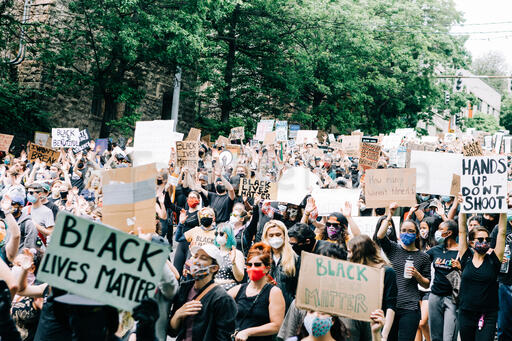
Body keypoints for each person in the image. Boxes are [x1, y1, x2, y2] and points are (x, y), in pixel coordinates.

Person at [376, 202, 431, 341]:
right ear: (400, 234)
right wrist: (390, 214)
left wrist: (417, 275)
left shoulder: (424, 257)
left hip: (410, 307)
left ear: (417, 235)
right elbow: (380, 236)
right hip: (391, 306)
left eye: (411, 231)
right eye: (404, 230)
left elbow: (426, 284)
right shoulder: (394, 249)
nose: (407, 233)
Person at [169, 244, 237, 340]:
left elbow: (224, 337)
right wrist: (178, 314)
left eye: (203, 258)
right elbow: (172, 331)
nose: (196, 261)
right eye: (195, 256)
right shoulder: (184, 289)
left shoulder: (222, 299)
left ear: (214, 268)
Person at [458, 209, 507, 341]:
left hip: (487, 315)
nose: (484, 241)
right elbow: (462, 231)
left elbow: (502, 233)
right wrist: (462, 208)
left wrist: (503, 210)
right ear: (471, 242)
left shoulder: (494, 259)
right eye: (480, 239)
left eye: (487, 239)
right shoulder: (465, 257)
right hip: (466, 313)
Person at [228, 242, 285, 341]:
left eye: (257, 265)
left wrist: (247, 332)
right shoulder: (237, 290)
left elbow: (276, 326)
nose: (253, 268)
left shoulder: (274, 292)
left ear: (267, 269)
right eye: (249, 265)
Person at [348, 235, 397, 341]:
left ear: (359, 253)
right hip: (360, 324)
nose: (348, 255)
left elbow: (391, 306)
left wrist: (384, 334)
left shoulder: (387, 272)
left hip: (379, 323)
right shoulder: (356, 270)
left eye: (350, 251)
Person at [426, 220, 459, 341]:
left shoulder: (462, 251)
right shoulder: (435, 250)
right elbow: (420, 260)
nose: (437, 232)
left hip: (452, 298)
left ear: (449, 233)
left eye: (440, 229)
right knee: (435, 336)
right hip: (435, 296)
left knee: (449, 338)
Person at [261, 220, 300, 309]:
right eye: (271, 235)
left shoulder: (295, 259)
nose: (275, 238)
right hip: (265, 306)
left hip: (287, 307)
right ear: (266, 237)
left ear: (284, 236)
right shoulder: (261, 258)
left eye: (278, 234)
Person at [490, 207, 512, 341]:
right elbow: (490, 250)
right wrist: (497, 256)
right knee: (504, 323)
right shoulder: (499, 228)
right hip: (504, 281)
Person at [214, 222, 245, 290]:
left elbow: (239, 278)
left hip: (230, 290)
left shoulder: (237, 253)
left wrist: (233, 263)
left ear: (229, 235)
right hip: (213, 289)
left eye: (221, 233)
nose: (218, 236)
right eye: (216, 234)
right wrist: (223, 281)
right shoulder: (214, 253)